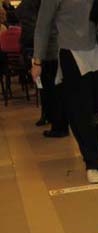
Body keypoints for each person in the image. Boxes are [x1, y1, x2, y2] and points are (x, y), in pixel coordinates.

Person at [32, 0, 98, 184]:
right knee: (80, 111)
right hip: (73, 52)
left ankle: (94, 150)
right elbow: (43, 25)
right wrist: (37, 60)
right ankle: (92, 161)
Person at [16, 0, 69, 136]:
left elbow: (39, 29)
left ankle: (58, 125)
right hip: (53, 49)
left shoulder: (33, 5)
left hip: (48, 51)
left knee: (52, 90)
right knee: (52, 90)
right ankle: (53, 120)